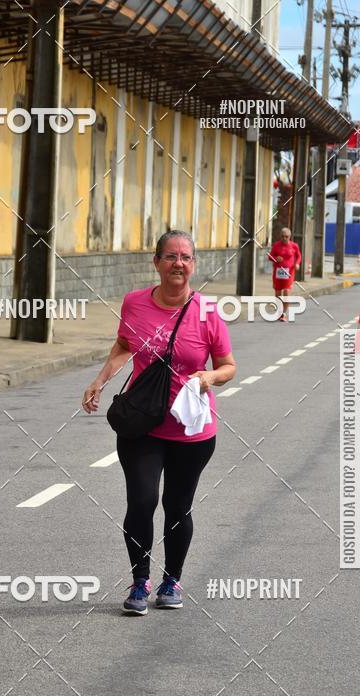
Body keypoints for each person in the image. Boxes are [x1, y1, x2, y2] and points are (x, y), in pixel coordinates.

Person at [82, 231, 236, 615]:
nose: (178, 264)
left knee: (177, 506)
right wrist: (100, 381)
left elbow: (229, 366)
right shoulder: (135, 303)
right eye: (170, 256)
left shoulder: (207, 312)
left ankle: (172, 580)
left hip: (191, 431)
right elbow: (124, 345)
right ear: (156, 263)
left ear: (194, 264)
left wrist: (208, 378)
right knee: (142, 501)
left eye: (185, 257)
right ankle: (139, 582)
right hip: (142, 425)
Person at [268, 227, 302, 322]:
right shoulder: (276, 245)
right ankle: (279, 312)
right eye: (282, 236)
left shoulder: (294, 246)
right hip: (277, 273)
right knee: (278, 294)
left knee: (286, 292)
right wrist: (275, 258)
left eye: (286, 236)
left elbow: (299, 256)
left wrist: (297, 263)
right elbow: (270, 256)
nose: (284, 238)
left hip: (289, 273)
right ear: (280, 236)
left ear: (290, 237)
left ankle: (284, 313)